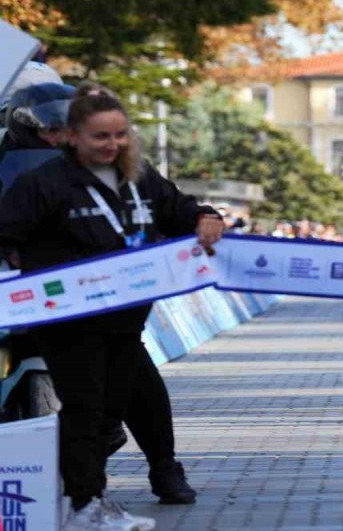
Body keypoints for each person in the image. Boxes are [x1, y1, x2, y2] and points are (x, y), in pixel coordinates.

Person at [0, 84, 224, 531]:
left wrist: (206, 217)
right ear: (74, 137)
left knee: (108, 412)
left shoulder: (139, 177)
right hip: (70, 319)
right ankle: (82, 504)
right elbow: (6, 229)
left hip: (126, 317)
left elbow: (177, 209)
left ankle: (89, 500)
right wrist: (16, 253)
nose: (112, 144)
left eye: (119, 135)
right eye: (100, 136)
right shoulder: (41, 182)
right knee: (85, 410)